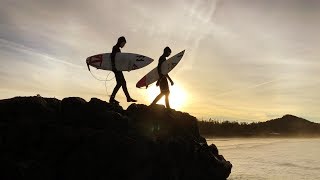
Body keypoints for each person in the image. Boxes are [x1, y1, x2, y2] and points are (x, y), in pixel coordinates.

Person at [109, 36, 137, 104]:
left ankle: (113, 98)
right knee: (122, 83)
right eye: (123, 43)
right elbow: (112, 57)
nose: (124, 45)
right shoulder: (115, 48)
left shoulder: (117, 48)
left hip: (118, 68)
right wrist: (114, 67)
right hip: (116, 69)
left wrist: (127, 67)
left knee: (120, 83)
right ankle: (127, 98)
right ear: (121, 42)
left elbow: (119, 60)